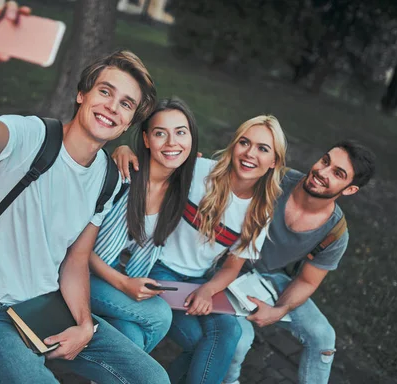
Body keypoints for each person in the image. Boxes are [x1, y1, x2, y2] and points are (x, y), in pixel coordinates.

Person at [0, 1, 170, 383]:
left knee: (153, 378)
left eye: (125, 104)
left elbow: (76, 259)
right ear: (82, 94)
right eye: (105, 92)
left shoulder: (108, 178)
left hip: (49, 306)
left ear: (129, 121)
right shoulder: (32, 137)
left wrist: (83, 325)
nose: (112, 107)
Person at [113, 115, 288, 384]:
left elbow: (232, 265)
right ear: (234, 145)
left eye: (263, 149)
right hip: (158, 269)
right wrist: (124, 149)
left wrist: (208, 289)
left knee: (229, 332)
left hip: (200, 280)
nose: (250, 153)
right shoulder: (197, 171)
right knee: (203, 344)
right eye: (245, 142)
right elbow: (155, 162)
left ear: (274, 161)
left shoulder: (260, 211)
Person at [222, 140, 376, 384]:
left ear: (349, 189)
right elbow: (221, 179)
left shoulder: (335, 233)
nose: (322, 172)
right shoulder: (275, 181)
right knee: (239, 340)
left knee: (323, 338)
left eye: (338, 173)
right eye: (325, 161)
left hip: (272, 278)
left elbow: (306, 280)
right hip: (228, 265)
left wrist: (279, 311)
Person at [89, 97, 199, 353]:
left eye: (180, 132)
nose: (172, 143)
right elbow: (76, 249)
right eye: (161, 133)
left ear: (191, 138)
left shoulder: (181, 189)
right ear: (147, 140)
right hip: (81, 273)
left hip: (124, 276)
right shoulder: (121, 176)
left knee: (132, 340)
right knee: (159, 315)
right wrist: (122, 284)